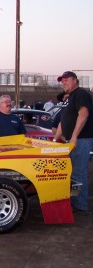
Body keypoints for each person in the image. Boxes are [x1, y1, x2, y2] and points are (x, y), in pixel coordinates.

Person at [54, 71, 93, 214]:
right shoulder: (68, 98)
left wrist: (75, 136)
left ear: (75, 80)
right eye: (61, 81)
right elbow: (62, 123)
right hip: (71, 141)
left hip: (81, 139)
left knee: (78, 172)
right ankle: (74, 202)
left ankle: (80, 205)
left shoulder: (81, 94)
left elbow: (83, 114)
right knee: (70, 172)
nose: (63, 83)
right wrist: (54, 140)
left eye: (66, 80)